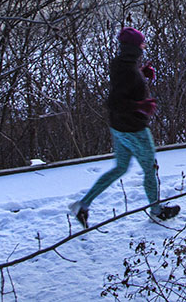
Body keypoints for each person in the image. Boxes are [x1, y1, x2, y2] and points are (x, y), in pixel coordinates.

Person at [68, 26, 180, 228]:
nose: (144, 46)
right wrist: (140, 106)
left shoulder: (121, 63)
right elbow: (115, 102)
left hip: (119, 128)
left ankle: (83, 205)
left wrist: (141, 72)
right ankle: (156, 211)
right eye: (141, 43)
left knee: (120, 168)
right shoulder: (127, 70)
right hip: (134, 129)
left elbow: (124, 85)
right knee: (150, 169)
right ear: (134, 47)